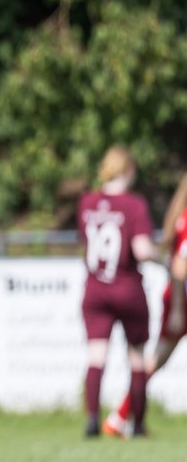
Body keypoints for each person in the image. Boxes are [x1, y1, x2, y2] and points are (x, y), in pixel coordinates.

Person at [77, 146, 156, 438]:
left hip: (95, 289)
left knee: (96, 356)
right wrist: (164, 257)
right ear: (129, 170)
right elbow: (142, 250)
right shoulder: (133, 205)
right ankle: (137, 424)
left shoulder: (87, 202)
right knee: (136, 356)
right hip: (127, 288)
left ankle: (92, 420)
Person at [104, 173, 187, 438]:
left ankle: (120, 417)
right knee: (153, 362)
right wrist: (176, 309)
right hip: (181, 302)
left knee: (154, 362)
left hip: (178, 301)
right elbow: (179, 267)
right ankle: (119, 416)